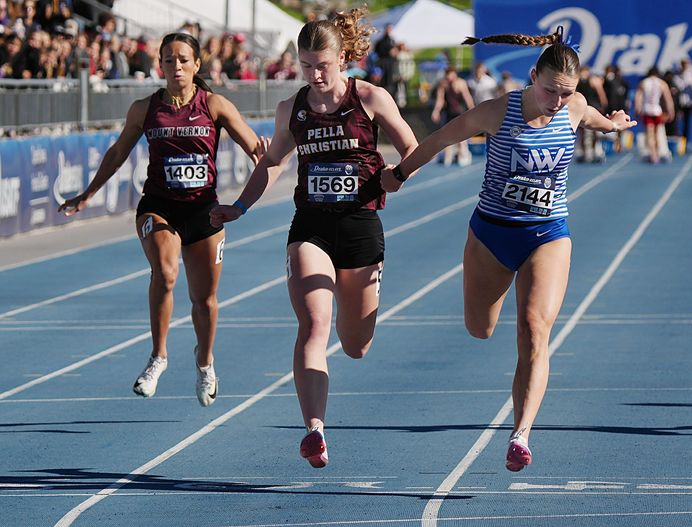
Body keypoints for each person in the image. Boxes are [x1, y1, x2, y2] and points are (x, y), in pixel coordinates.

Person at [380, 27, 636, 472]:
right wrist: (399, 174)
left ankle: (521, 433)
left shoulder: (572, 106)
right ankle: (517, 418)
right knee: (479, 329)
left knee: (534, 330)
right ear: (532, 76)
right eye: (549, 91)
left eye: (565, 93)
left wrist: (614, 124)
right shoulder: (498, 112)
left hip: (547, 233)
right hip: (491, 235)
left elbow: (591, 116)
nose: (556, 102)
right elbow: (440, 139)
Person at [209, 8, 418, 469]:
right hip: (311, 228)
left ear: (342, 58)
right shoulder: (293, 108)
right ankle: (314, 430)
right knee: (312, 324)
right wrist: (239, 207)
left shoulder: (369, 97)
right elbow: (272, 163)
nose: (315, 74)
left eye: (322, 65)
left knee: (355, 344)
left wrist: (395, 175)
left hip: (361, 227)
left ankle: (355, 312)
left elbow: (412, 147)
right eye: (306, 66)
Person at [58, 32, 268, 407]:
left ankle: (205, 363)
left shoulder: (215, 105)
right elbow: (118, 152)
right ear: (160, 65)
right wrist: (87, 194)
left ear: (197, 65)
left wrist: (253, 187)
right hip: (159, 206)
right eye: (169, 60)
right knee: (166, 272)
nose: (176, 67)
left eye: (184, 60)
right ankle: (159, 356)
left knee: (203, 300)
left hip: (204, 210)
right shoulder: (145, 108)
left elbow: (258, 151)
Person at [431, 65, 475, 166]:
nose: (449, 78)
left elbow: (467, 97)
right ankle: (448, 156)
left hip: (460, 112)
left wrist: (473, 110)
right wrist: (436, 111)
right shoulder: (443, 84)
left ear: (454, 74)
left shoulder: (461, 83)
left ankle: (464, 154)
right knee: (447, 136)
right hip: (448, 113)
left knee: (461, 137)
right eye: (447, 76)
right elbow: (440, 100)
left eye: (451, 75)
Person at [634, 67, 674, 163]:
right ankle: (658, 152)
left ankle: (653, 155)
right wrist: (671, 112)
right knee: (657, 134)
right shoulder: (662, 83)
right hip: (657, 110)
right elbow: (668, 99)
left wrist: (637, 110)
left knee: (650, 134)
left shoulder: (643, 83)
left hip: (647, 110)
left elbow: (638, 99)